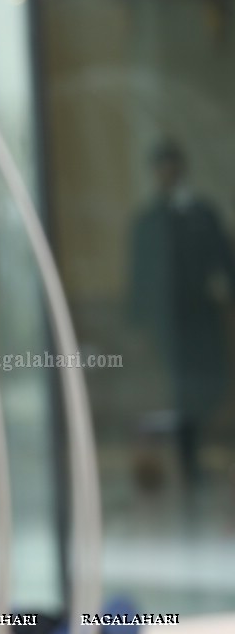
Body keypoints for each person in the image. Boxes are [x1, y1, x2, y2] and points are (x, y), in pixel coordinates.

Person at [128, 140, 235, 494]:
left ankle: (205, 455)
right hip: (166, 321)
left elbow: (225, 260)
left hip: (201, 316)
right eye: (161, 167)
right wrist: (138, 325)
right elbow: (139, 276)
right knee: (179, 390)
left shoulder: (202, 214)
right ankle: (189, 464)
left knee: (209, 385)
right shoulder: (147, 223)